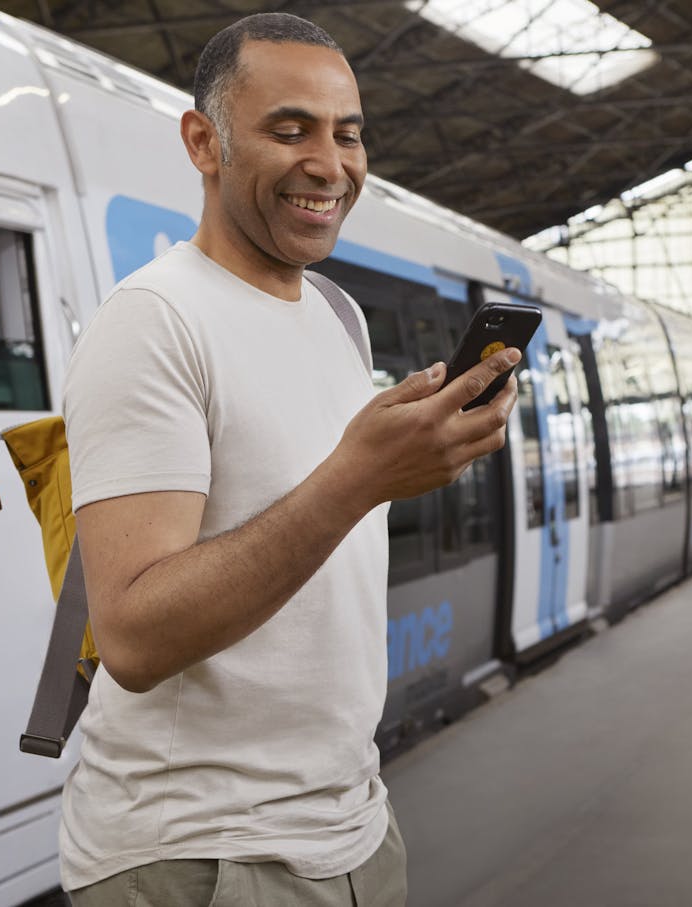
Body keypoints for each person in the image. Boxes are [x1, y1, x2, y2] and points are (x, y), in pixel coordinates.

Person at [59, 12, 521, 906]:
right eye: (289, 128)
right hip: (201, 855)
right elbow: (133, 636)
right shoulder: (155, 322)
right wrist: (361, 478)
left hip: (352, 828)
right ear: (204, 141)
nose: (330, 164)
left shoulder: (338, 316)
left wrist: (421, 455)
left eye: (348, 134)